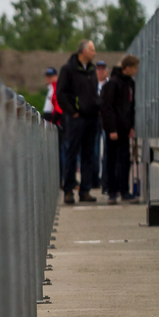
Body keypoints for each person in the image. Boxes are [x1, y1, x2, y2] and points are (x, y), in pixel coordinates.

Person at [55, 39, 100, 204]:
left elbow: (94, 93)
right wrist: (72, 111)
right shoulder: (68, 69)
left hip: (91, 118)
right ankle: (68, 190)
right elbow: (61, 93)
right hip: (76, 118)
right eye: (92, 50)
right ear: (84, 51)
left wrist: (97, 107)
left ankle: (85, 190)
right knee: (72, 153)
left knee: (88, 155)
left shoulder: (92, 70)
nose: (94, 53)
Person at [100, 55, 139, 205]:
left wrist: (131, 126)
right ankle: (112, 192)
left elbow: (132, 106)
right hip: (114, 129)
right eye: (134, 68)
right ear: (127, 68)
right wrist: (111, 129)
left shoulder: (130, 84)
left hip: (125, 129)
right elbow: (107, 107)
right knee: (111, 160)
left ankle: (124, 191)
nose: (136, 71)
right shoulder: (113, 83)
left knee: (125, 160)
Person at [42, 66, 63, 178]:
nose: (48, 77)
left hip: (56, 123)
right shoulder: (51, 88)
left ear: (56, 76)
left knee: (59, 152)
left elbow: (59, 106)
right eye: (47, 75)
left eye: (51, 75)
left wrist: (53, 121)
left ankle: (61, 178)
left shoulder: (57, 87)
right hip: (52, 122)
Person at [91, 60, 109, 191]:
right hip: (94, 119)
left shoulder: (110, 85)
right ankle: (94, 179)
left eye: (103, 68)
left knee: (106, 150)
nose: (100, 71)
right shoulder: (91, 85)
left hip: (106, 120)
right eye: (98, 69)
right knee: (94, 150)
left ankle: (105, 178)